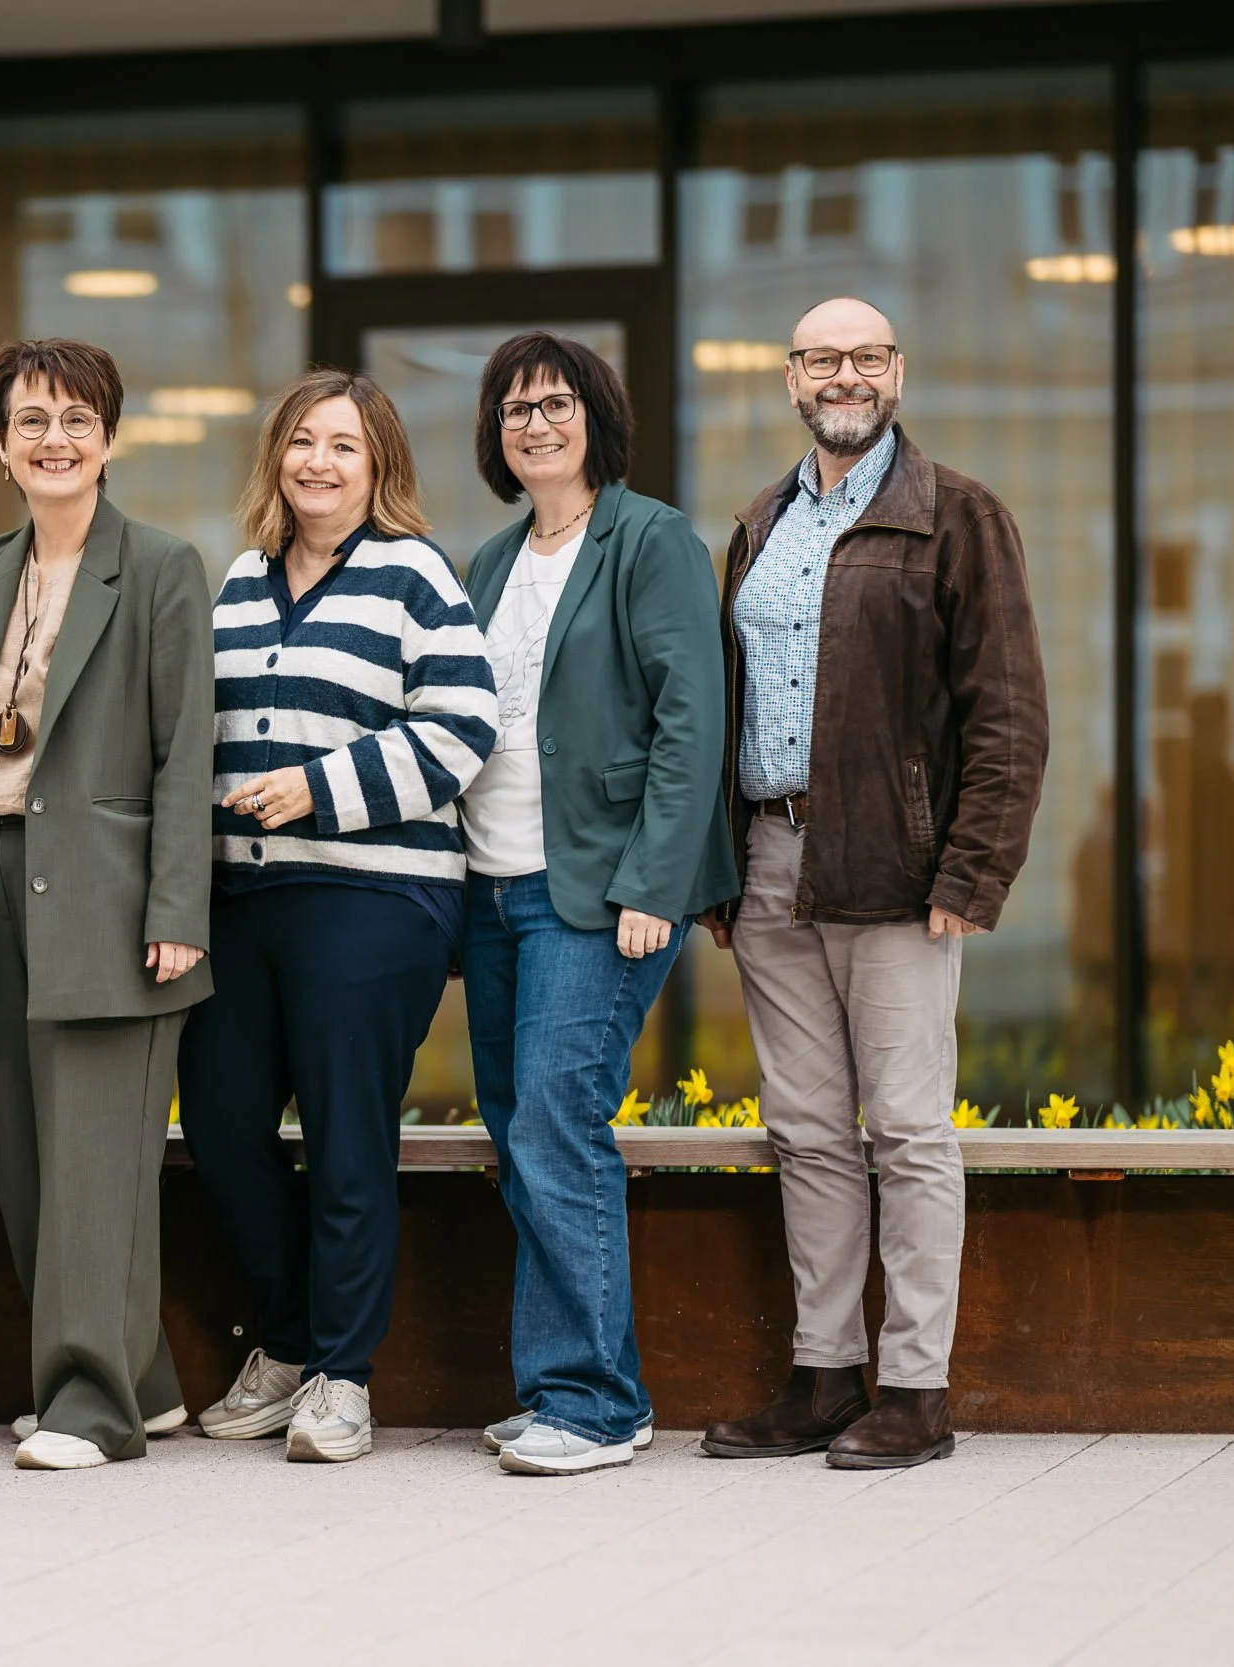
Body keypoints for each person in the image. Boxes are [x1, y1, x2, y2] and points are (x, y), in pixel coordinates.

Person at [700, 297, 1048, 1470]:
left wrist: (972, 868)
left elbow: (1007, 714)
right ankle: (823, 1372)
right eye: (819, 359)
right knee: (803, 1128)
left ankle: (915, 1388)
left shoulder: (955, 514)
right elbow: (723, 705)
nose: (841, 375)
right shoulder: (760, 520)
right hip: (770, 864)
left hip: (898, 873)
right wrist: (715, 866)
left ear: (895, 372)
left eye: (863, 356)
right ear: (790, 378)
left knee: (904, 1128)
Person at [177, 370, 498, 1464]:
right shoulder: (236, 581)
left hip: (373, 898)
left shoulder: (413, 576)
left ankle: (339, 1378)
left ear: (379, 468)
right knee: (220, 1126)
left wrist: (319, 785)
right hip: (242, 897)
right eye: (302, 441)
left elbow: (464, 725)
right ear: (276, 456)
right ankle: (291, 1335)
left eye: (345, 447)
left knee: (345, 1137)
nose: (319, 461)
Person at [456, 332, 736, 1477]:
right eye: (515, 408)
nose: (535, 424)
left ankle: (592, 1400)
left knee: (556, 1122)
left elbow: (690, 719)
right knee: (521, 1136)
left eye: (555, 403)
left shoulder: (650, 537)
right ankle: (575, 1386)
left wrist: (652, 885)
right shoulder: (485, 561)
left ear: (595, 418)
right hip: (492, 881)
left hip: (597, 891)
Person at [0, 339, 215, 1472]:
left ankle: (89, 1406)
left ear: (109, 436)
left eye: (76, 419)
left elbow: (184, 748)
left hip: (113, 898)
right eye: (31, 420)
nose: (54, 438)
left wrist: (178, 903)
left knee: (100, 1160)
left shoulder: (160, 566)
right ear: (1, 445)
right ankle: (138, 1382)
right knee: (27, 1158)